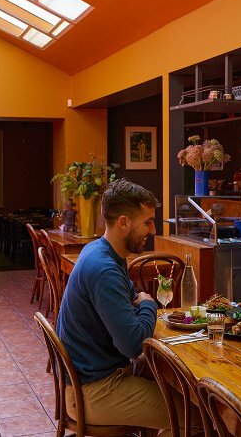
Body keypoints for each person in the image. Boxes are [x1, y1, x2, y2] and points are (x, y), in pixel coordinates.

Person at [55, 179, 169, 431]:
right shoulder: (104, 268)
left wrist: (140, 306)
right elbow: (133, 344)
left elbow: (129, 304)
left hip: (92, 380)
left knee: (179, 391)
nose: (152, 229)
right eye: (148, 221)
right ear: (124, 223)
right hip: (94, 392)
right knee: (199, 416)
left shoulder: (98, 251)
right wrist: (149, 304)